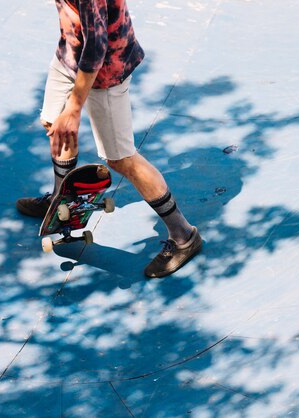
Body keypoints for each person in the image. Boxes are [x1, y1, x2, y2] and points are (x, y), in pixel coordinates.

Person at [16, 0, 201, 278]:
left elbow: (97, 47)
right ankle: (59, 200)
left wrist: (75, 108)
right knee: (55, 122)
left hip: (105, 69)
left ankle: (184, 235)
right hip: (70, 54)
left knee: (122, 159)